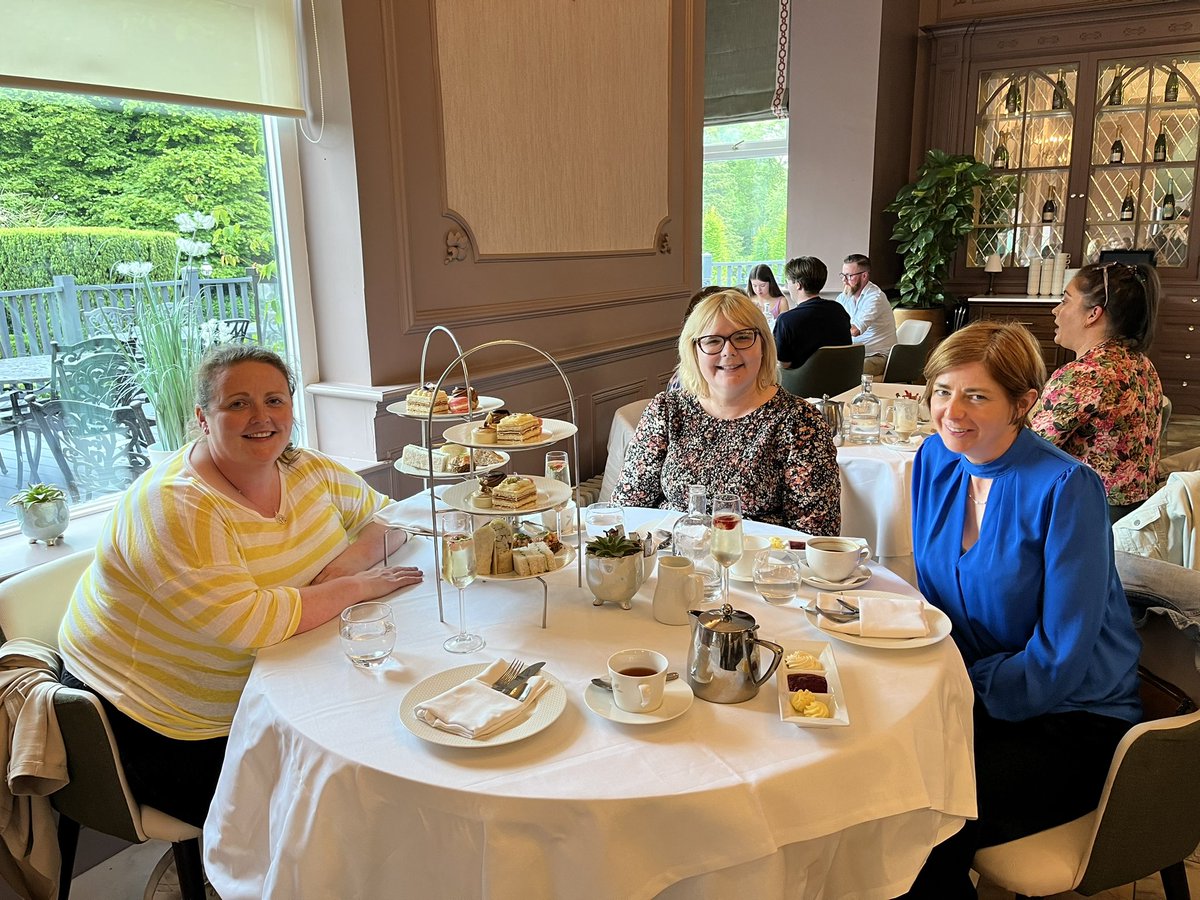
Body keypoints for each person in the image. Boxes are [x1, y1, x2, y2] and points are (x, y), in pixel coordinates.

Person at [57, 345, 424, 828]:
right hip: (156, 721)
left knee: (388, 748)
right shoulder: (176, 505)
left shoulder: (305, 468)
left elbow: (393, 519)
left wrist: (346, 566)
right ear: (203, 418)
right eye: (237, 403)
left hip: (276, 682)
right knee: (335, 806)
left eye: (274, 401)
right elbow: (249, 623)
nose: (261, 417)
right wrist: (355, 588)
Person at [902, 321, 1141, 898]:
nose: (952, 411)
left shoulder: (1067, 488)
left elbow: (1062, 655)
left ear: (1024, 403)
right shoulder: (935, 459)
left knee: (928, 818)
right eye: (942, 391)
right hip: (973, 694)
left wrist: (964, 682)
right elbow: (934, 603)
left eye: (976, 395)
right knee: (876, 780)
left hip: (1072, 717)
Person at [612, 289, 841, 535]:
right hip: (670, 562)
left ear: (763, 344)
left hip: (762, 565)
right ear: (694, 351)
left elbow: (816, 535)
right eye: (712, 340)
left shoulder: (799, 422)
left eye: (742, 337)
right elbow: (628, 506)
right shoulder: (667, 410)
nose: (728, 351)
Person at [1030, 261, 1163, 523]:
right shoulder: (1140, 362)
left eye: (1066, 301)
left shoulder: (1084, 375)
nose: (1055, 310)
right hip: (1138, 516)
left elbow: (1026, 452)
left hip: (1090, 517)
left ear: (1093, 314)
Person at [773, 256, 852, 369]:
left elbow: (784, 364)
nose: (788, 286)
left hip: (800, 385)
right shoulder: (838, 310)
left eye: (788, 282)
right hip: (843, 382)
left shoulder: (786, 320)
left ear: (798, 284)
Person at [836, 253, 897, 376]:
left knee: (845, 372)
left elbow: (854, 330)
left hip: (877, 356)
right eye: (843, 275)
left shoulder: (875, 297)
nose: (844, 280)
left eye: (849, 276)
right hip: (855, 354)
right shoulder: (844, 297)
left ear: (864, 276)